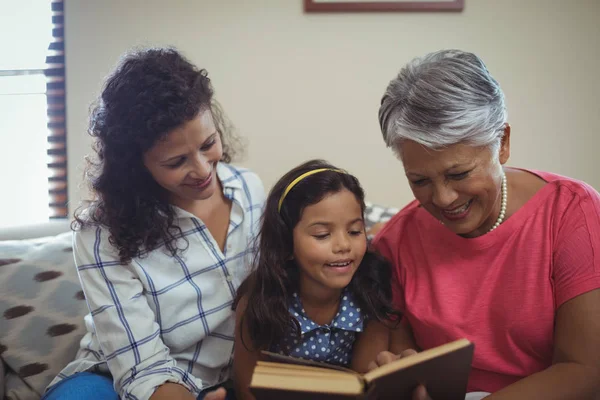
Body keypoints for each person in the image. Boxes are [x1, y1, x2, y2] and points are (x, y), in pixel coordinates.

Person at [369, 49, 600, 399]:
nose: (444, 199)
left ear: (502, 143)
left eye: (459, 173)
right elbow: (404, 358)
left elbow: (586, 370)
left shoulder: (571, 212)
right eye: (420, 181)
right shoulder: (394, 242)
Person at [42, 47, 265, 400]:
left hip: (227, 380)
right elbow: (141, 369)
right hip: (119, 378)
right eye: (177, 161)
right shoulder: (101, 234)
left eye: (209, 144)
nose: (204, 169)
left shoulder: (249, 190)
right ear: (136, 164)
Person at [232, 160, 401, 400]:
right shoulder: (258, 301)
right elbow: (247, 390)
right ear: (285, 244)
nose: (343, 246)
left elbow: (364, 383)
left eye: (354, 231)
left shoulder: (371, 292)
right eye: (322, 235)